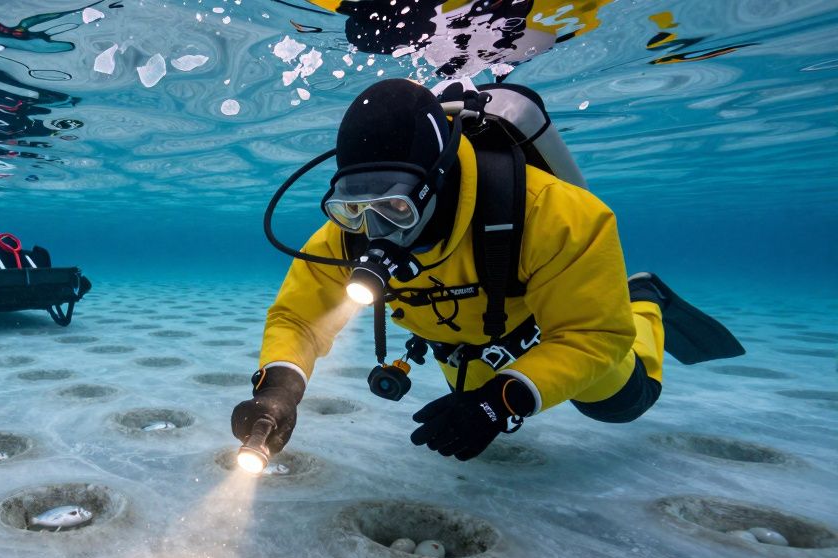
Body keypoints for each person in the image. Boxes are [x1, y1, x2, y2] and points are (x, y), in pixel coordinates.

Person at [232, 79, 742, 463]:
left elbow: (591, 335)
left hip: (560, 328)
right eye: (352, 209)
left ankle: (644, 298)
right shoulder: (344, 239)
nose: (375, 232)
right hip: (467, 340)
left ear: (436, 182)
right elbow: (299, 319)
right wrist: (279, 390)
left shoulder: (558, 217)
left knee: (621, 404)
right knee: (469, 410)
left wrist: (502, 400)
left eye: (396, 209)